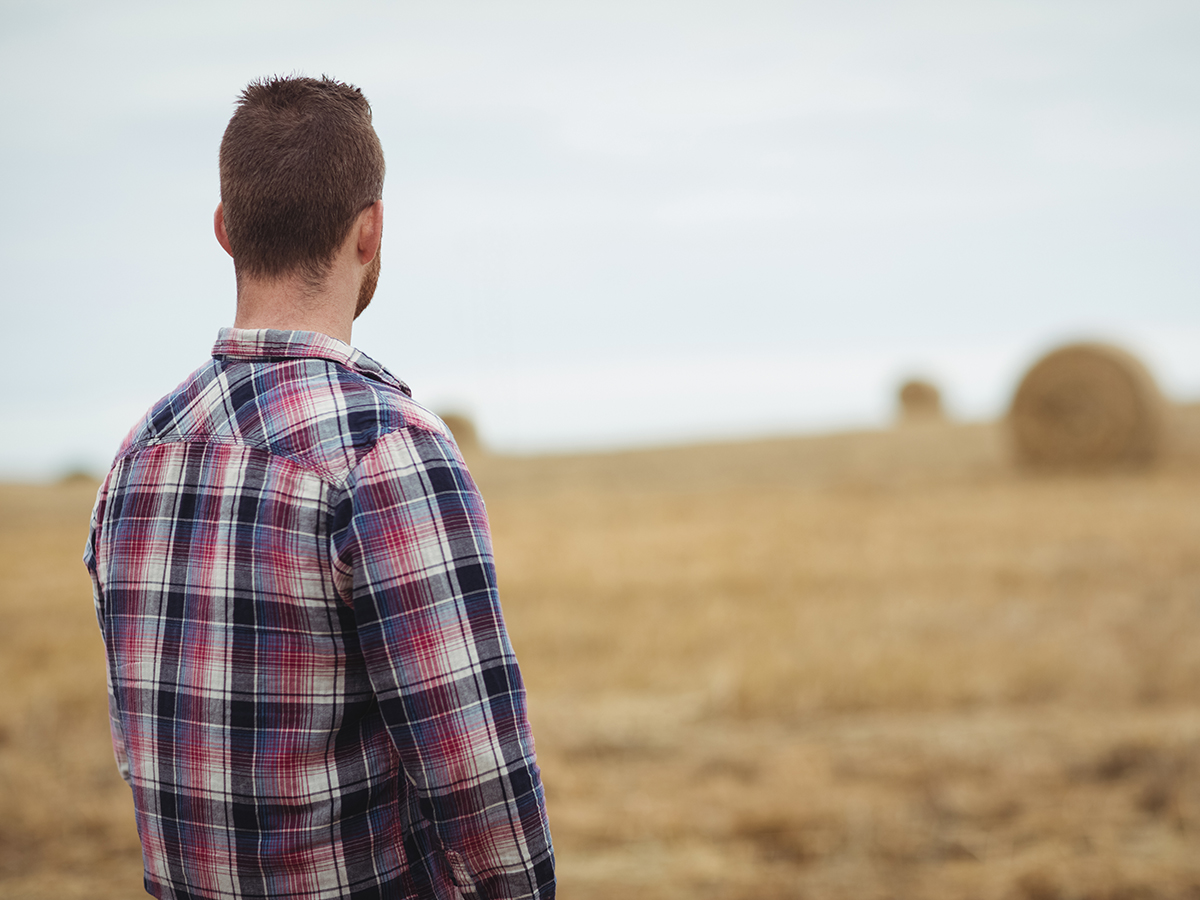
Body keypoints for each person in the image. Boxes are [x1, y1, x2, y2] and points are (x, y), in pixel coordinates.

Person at [84, 75, 555, 900]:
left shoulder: (136, 457)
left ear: (226, 231)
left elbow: (143, 756)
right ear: (369, 232)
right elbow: (482, 796)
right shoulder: (388, 450)